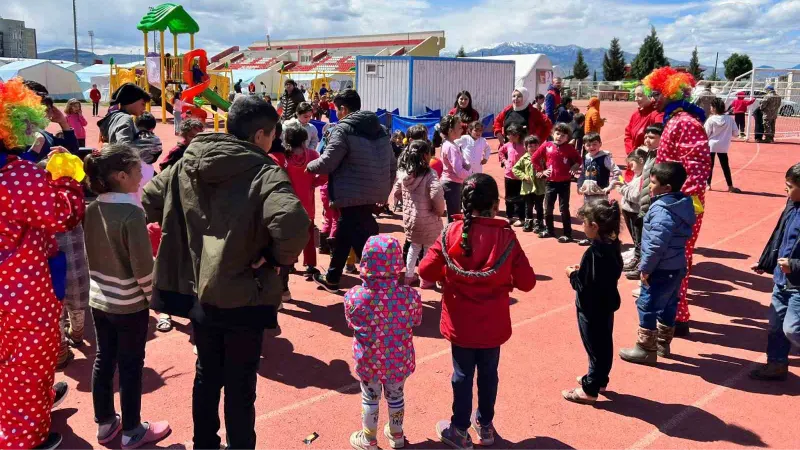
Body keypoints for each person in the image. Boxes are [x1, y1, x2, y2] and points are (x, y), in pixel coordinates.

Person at [142, 96, 309, 450]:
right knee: (240, 384)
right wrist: (274, 257)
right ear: (261, 134)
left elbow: (149, 198)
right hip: (245, 292)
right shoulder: (265, 171)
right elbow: (293, 224)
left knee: (206, 374)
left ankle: (204, 443)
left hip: (199, 289)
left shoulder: (188, 161)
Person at [419, 173, 535, 450]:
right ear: (495, 204)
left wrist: (448, 272)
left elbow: (425, 270)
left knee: (461, 374)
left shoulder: (452, 232)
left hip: (460, 322)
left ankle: (459, 428)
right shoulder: (506, 236)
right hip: (493, 322)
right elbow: (528, 282)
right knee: (489, 373)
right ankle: (484, 425)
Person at [0, 78, 86, 450]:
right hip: (22, 290)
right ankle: (23, 438)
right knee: (29, 363)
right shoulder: (17, 176)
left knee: (8, 359)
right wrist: (65, 178)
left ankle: (20, 412)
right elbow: (65, 214)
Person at [83, 144, 171, 449]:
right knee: (131, 365)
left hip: (99, 298)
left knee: (103, 359)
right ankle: (133, 430)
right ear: (121, 176)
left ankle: (105, 424)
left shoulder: (91, 209)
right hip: (129, 303)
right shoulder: (132, 213)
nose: (142, 176)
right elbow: (143, 268)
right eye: (137, 171)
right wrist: (154, 299)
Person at [308, 89, 396, 292]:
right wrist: (385, 188)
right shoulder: (381, 129)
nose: (336, 114)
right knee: (345, 232)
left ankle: (377, 281)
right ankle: (333, 277)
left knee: (361, 237)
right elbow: (392, 163)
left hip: (350, 192)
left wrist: (309, 166)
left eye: (337, 110)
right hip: (375, 190)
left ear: (344, 109)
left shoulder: (342, 130)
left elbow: (328, 161)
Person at [645, 67, 711, 335]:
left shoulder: (684, 122)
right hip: (674, 201)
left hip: (680, 206)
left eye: (656, 94)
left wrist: (676, 204)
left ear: (669, 93)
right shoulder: (674, 120)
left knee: (676, 260)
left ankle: (676, 320)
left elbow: (697, 168)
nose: (653, 99)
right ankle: (673, 316)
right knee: (673, 259)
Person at [344, 235, 422, 450]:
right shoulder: (410, 296)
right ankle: (396, 434)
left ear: (366, 262)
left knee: (370, 397)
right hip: (398, 360)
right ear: (397, 263)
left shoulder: (354, 297)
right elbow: (416, 320)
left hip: (369, 361)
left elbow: (351, 323)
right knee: (396, 396)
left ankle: (369, 438)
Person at [619, 162, 695, 365]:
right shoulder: (683, 203)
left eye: (652, 183)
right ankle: (663, 343)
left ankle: (645, 348)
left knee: (647, 305)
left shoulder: (662, 209)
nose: (649, 186)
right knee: (669, 303)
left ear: (666, 188)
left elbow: (656, 244)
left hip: (661, 267)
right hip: (677, 265)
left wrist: (646, 268)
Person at [562, 199, 623, 404]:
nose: (582, 226)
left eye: (584, 222)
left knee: (595, 346)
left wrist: (572, 274)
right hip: (606, 304)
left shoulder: (594, 253)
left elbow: (584, 285)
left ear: (594, 226)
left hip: (591, 307)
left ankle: (591, 388)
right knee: (603, 343)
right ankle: (598, 378)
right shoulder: (613, 245)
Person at [749, 163, 800, 381]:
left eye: (789, 186)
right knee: (776, 326)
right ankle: (777, 364)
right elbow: (780, 236)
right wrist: (766, 261)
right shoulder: (791, 205)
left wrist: (795, 266)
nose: (785, 190)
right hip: (782, 280)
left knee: (793, 329)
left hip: (798, 284)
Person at [275, 122, 326, 279]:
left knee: (290, 234)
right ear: (304, 139)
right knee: (309, 234)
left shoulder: (283, 157)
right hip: (307, 204)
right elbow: (324, 175)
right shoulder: (312, 155)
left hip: (289, 204)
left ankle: (290, 262)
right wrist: (313, 184)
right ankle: (310, 264)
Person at [393, 140, 445, 288]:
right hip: (428, 218)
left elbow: (397, 191)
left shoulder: (404, 174)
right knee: (429, 249)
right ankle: (426, 278)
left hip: (411, 219)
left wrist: (405, 200)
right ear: (425, 155)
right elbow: (436, 194)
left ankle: (409, 276)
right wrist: (439, 211)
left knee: (414, 247)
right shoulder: (430, 174)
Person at [532, 123, 582, 242]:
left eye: (563, 135)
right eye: (557, 133)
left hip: (565, 183)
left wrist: (575, 166)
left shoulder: (569, 148)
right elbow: (534, 158)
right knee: (548, 208)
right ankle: (549, 230)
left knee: (564, 208)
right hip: (550, 183)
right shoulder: (547, 145)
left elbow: (578, 159)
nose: (559, 137)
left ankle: (568, 233)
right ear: (553, 133)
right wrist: (542, 171)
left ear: (567, 138)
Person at [629, 125, 664, 290]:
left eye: (651, 137)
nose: (647, 140)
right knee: (642, 237)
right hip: (644, 203)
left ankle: (647, 276)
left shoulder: (661, 156)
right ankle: (641, 266)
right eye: (646, 137)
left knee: (649, 241)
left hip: (652, 204)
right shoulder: (650, 154)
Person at [616, 148, 648, 277]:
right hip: (629, 210)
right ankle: (636, 259)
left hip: (636, 212)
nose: (631, 168)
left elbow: (636, 195)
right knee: (636, 239)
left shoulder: (644, 177)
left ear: (641, 161)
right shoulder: (637, 175)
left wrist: (622, 188)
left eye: (632, 164)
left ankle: (641, 264)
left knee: (639, 239)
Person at [624, 85, 663, 180]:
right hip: (634, 160)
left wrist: (643, 154)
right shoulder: (635, 114)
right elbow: (628, 134)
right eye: (635, 96)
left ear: (650, 96)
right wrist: (631, 153)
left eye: (640, 95)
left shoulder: (656, 114)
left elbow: (658, 136)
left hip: (646, 163)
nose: (636, 99)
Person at [705, 98, 740, 192]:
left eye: (711, 106)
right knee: (725, 166)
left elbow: (706, 133)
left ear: (715, 108)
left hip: (711, 145)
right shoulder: (729, 119)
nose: (710, 108)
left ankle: (708, 184)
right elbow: (736, 133)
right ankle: (730, 186)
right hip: (724, 146)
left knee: (709, 166)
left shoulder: (711, 120)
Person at [440, 115, 470, 222]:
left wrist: (466, 163)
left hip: (452, 183)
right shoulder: (451, 147)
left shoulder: (451, 144)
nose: (462, 129)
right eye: (459, 127)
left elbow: (460, 161)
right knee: (454, 216)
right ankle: (450, 237)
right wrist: (469, 174)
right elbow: (459, 171)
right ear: (450, 130)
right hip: (452, 184)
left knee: (454, 213)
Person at [512, 135, 545, 233]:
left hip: (539, 187)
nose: (533, 148)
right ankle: (528, 221)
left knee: (539, 206)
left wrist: (544, 173)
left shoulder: (542, 157)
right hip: (528, 187)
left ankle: (539, 222)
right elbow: (515, 169)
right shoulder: (524, 158)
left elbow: (548, 167)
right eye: (530, 146)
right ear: (526, 148)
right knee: (528, 206)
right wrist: (523, 176)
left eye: (535, 146)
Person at [578, 132, 619, 206]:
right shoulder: (585, 158)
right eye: (588, 145)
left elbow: (618, 173)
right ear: (584, 146)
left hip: (601, 194)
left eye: (594, 144)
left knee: (600, 215)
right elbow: (582, 174)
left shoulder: (605, 158)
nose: (591, 147)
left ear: (600, 144)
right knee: (589, 214)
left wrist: (610, 186)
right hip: (587, 194)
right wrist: (579, 185)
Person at [498, 123, 527, 227]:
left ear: (516, 135)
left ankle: (521, 218)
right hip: (509, 176)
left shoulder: (524, 146)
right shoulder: (507, 145)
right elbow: (501, 151)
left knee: (521, 198)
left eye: (509, 134)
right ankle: (509, 216)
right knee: (509, 197)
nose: (507, 136)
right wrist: (504, 161)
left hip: (521, 176)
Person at [133, 112, 162, 203]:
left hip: (131, 168)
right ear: (152, 127)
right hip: (148, 169)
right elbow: (157, 154)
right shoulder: (156, 139)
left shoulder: (131, 136)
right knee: (143, 195)